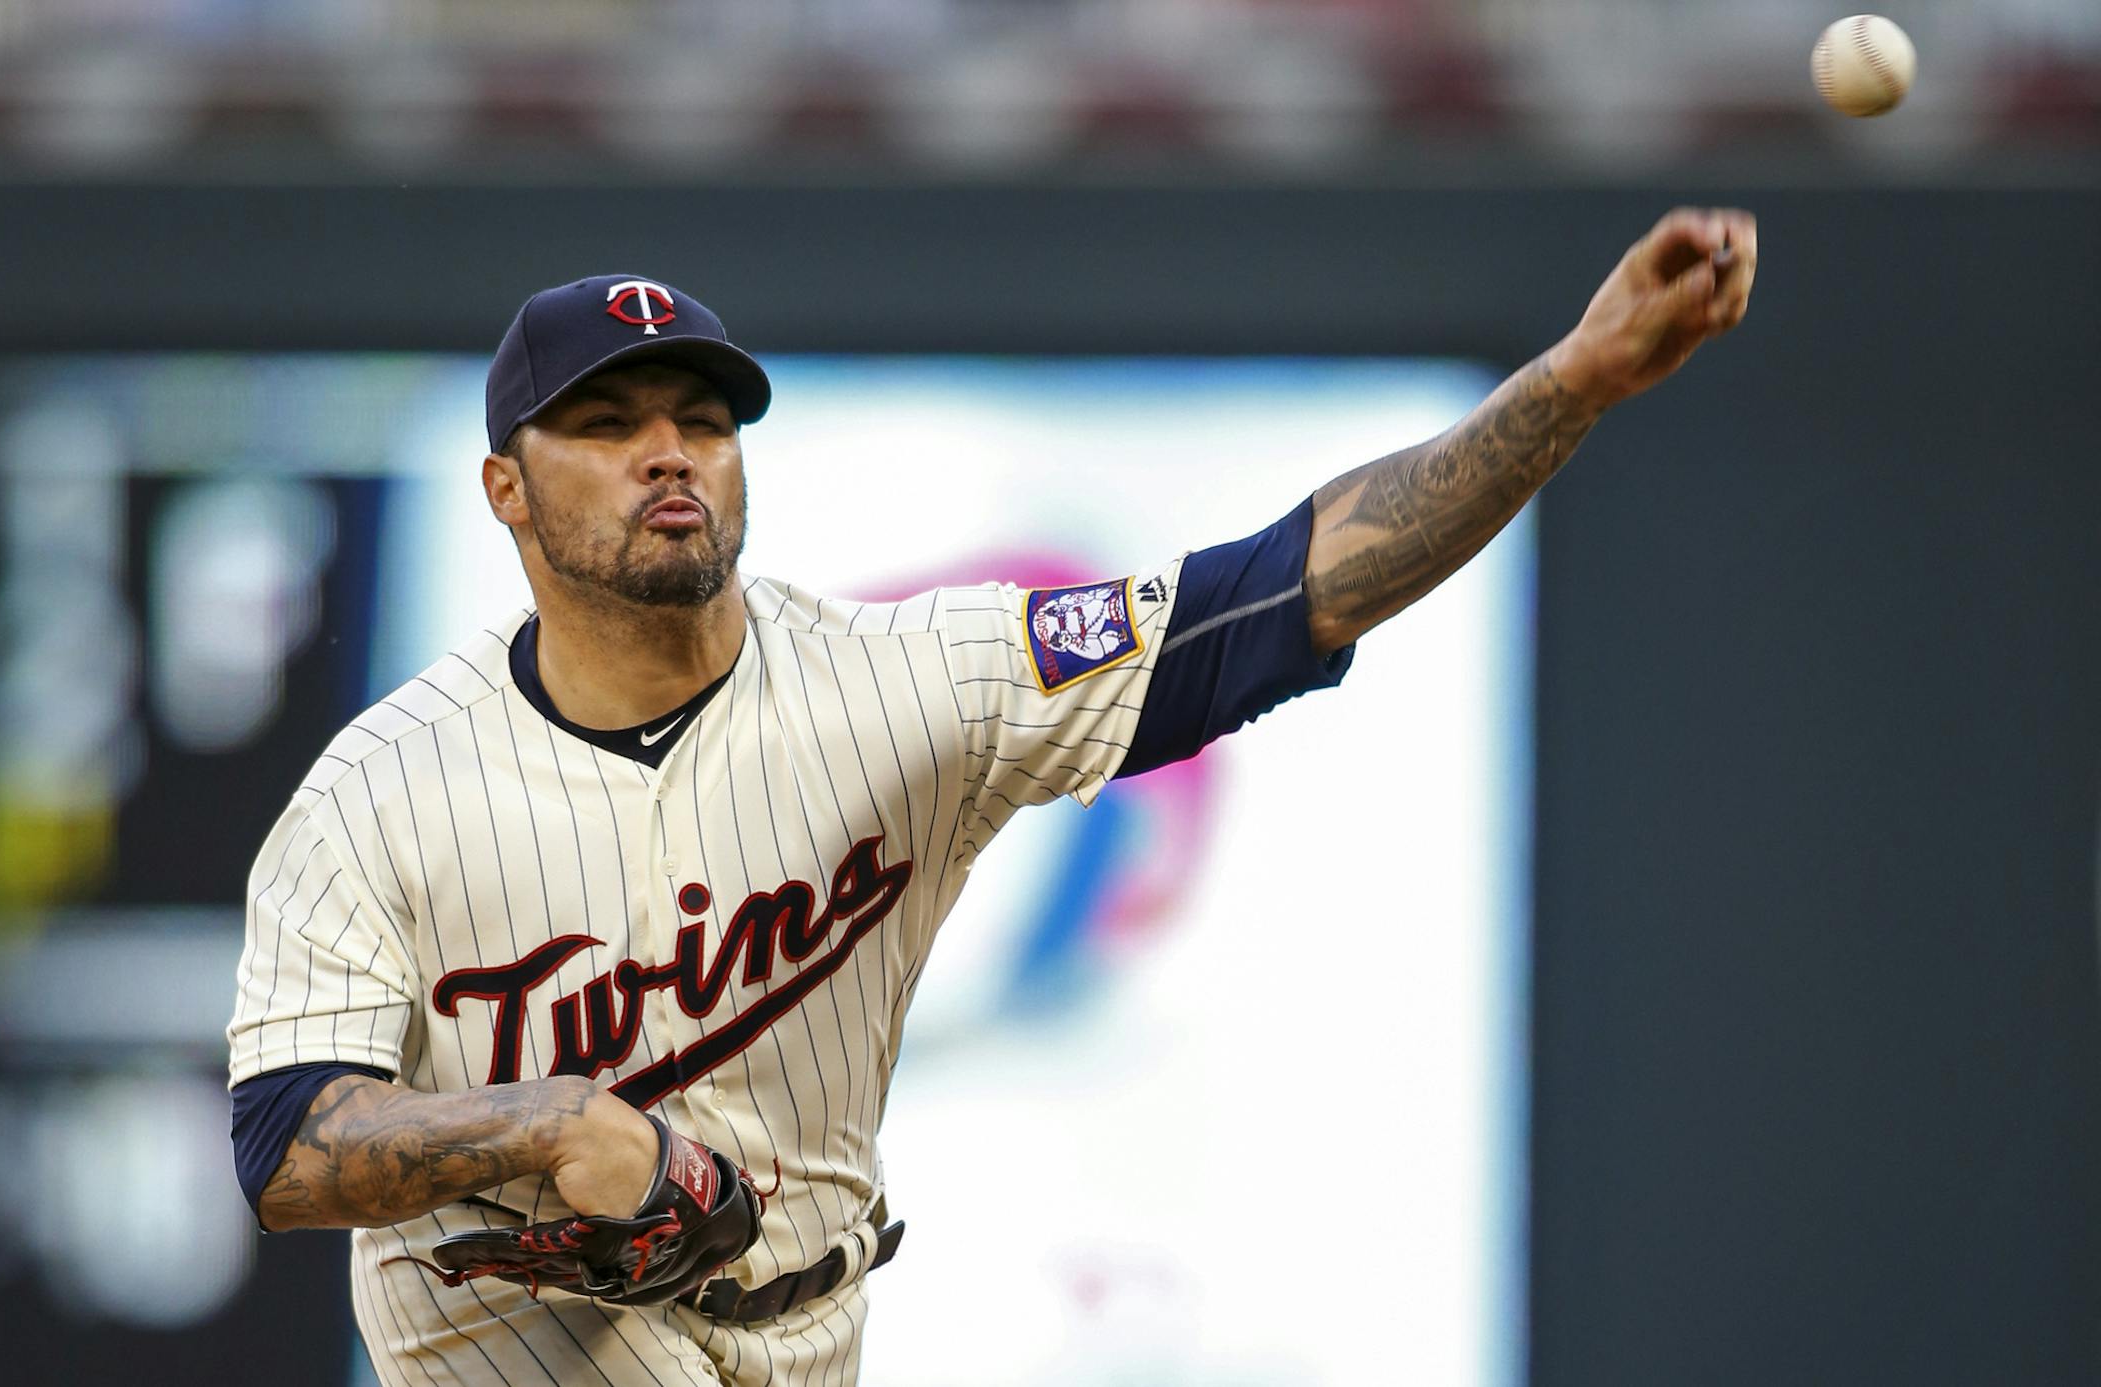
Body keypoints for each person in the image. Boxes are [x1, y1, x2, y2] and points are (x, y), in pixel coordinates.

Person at [226, 210, 1757, 1384]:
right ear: (507, 487)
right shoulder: (381, 794)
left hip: (803, 1336)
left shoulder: (907, 682)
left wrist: (1578, 380)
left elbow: (1288, 592)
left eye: (701, 417)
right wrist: (546, 1123)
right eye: (610, 424)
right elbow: (287, 1147)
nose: (669, 454)